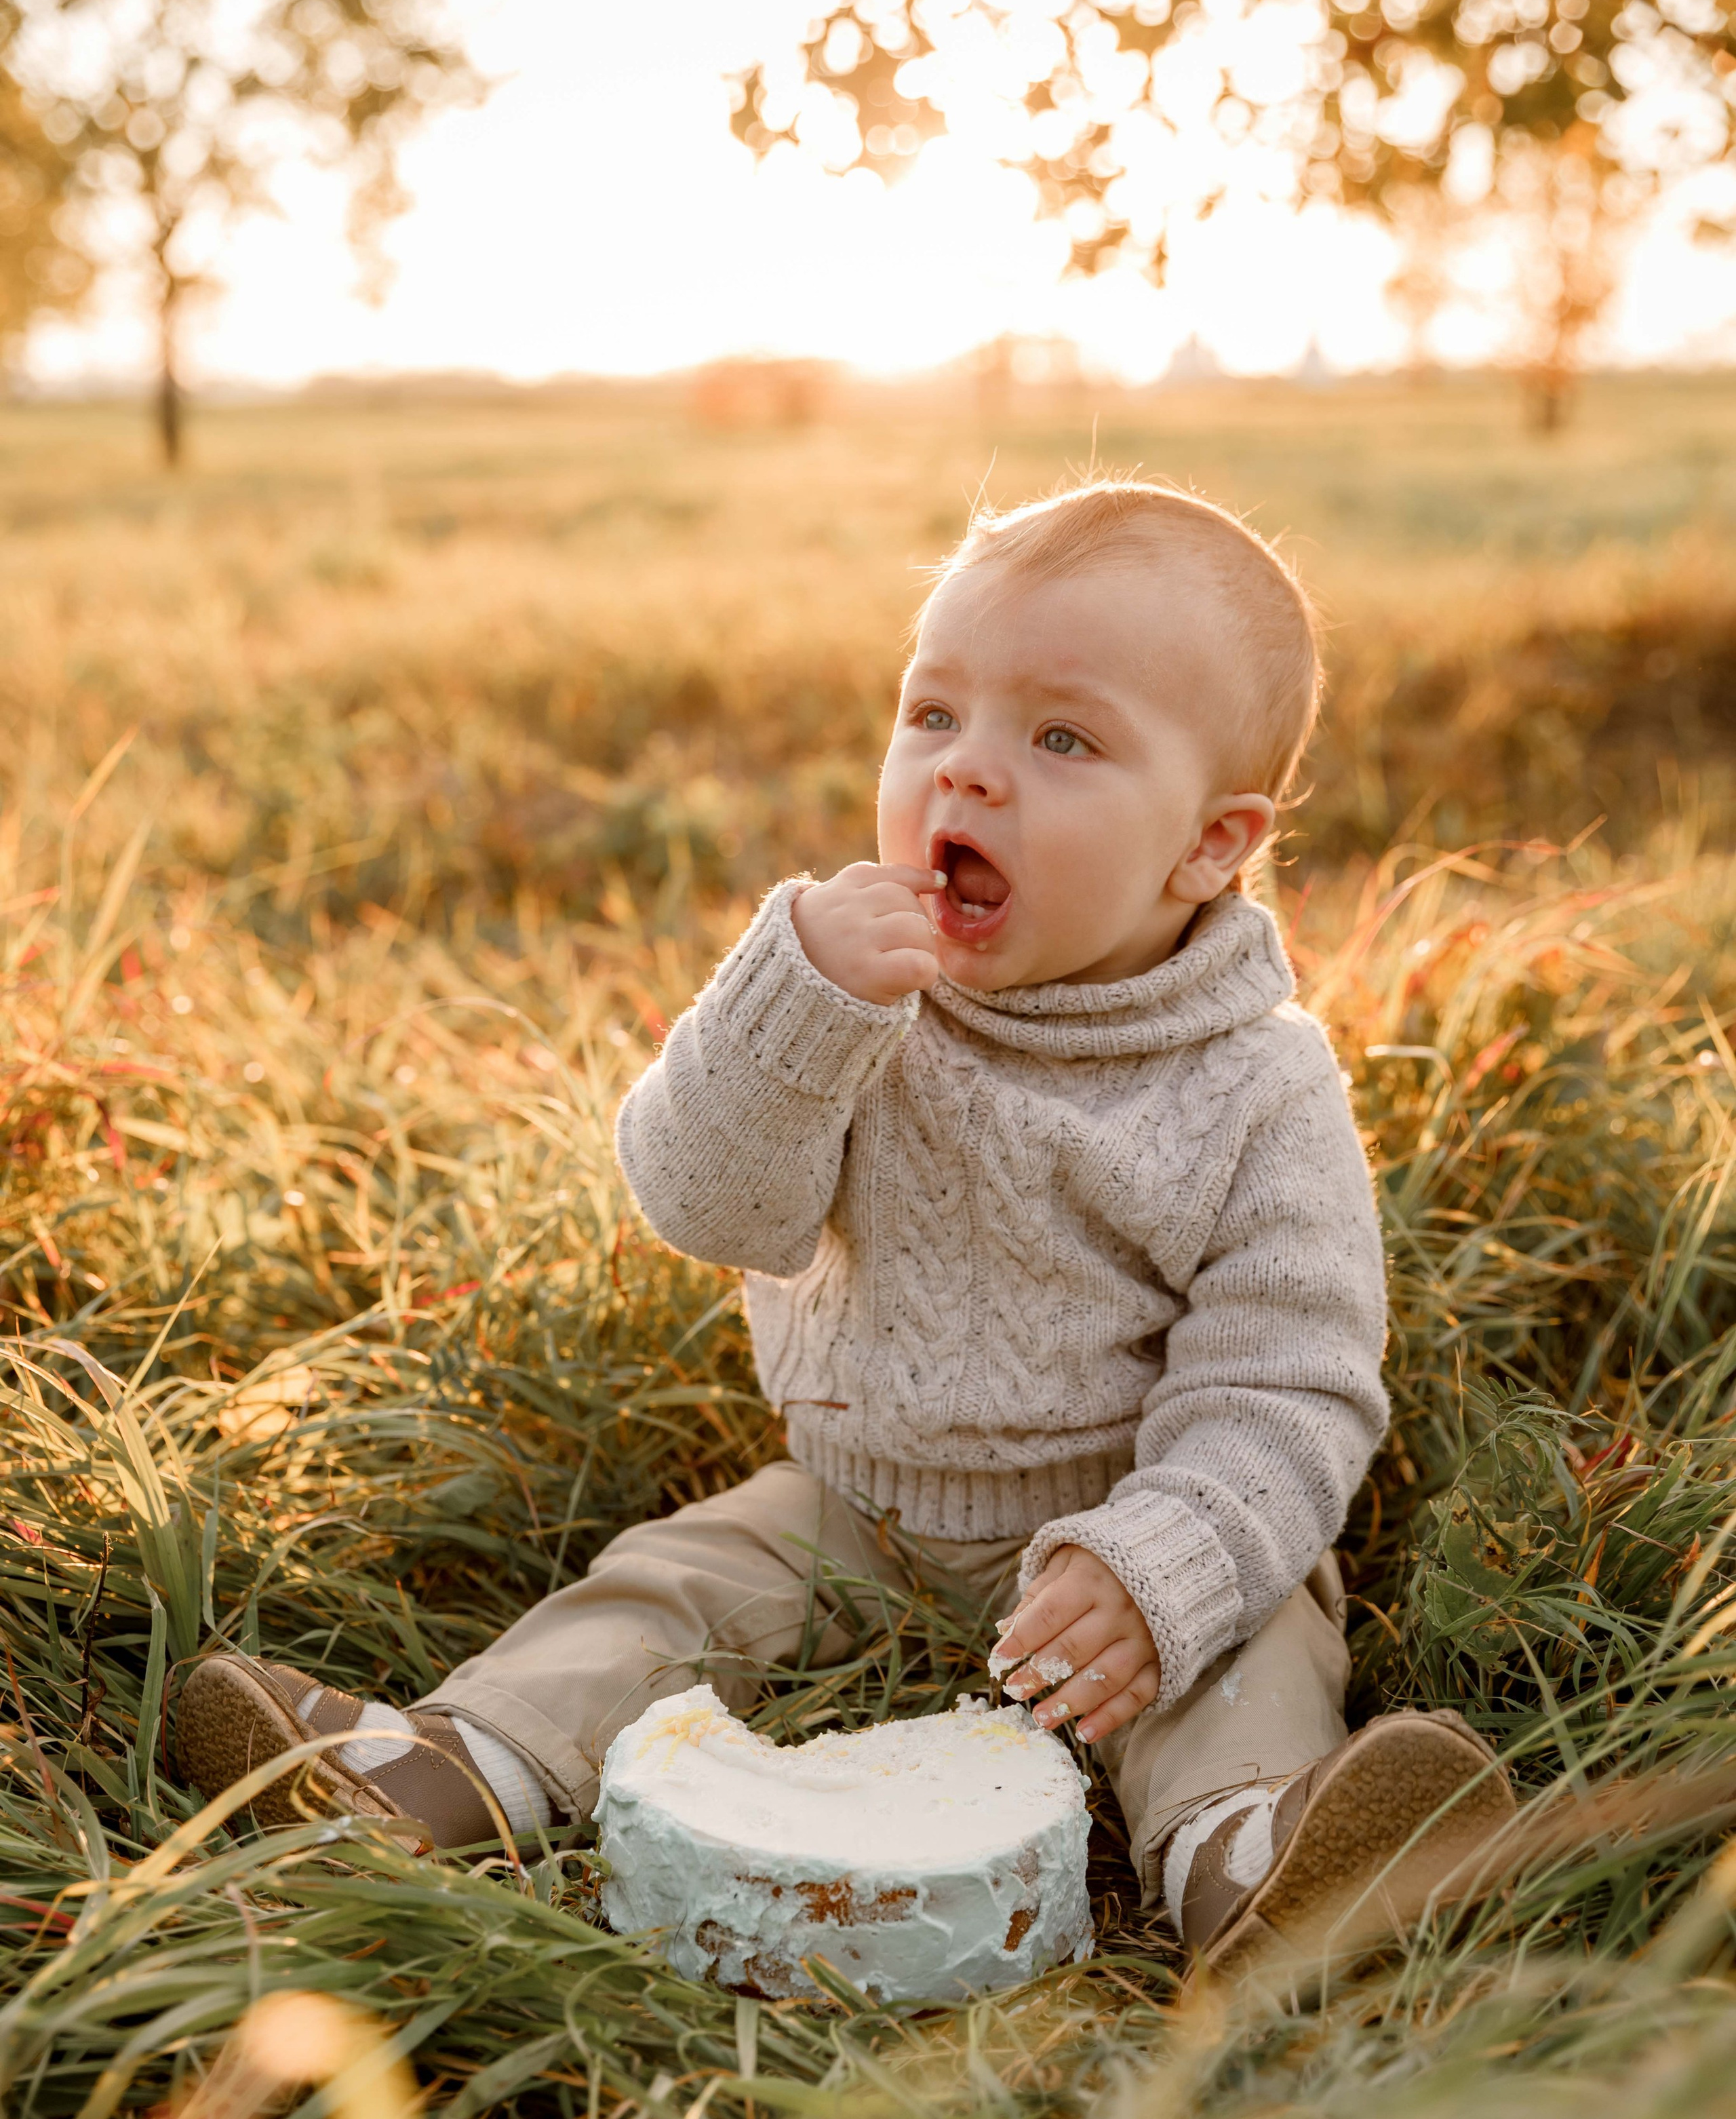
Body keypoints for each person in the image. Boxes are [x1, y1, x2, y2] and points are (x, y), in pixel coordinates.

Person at [178, 478, 1513, 1968]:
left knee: (1244, 1653)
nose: (967, 777)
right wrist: (788, 1007)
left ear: (1208, 845)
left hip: (1125, 1526)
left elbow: (1288, 1382)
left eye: (1059, 739)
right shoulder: (852, 1002)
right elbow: (707, 1206)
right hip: (851, 1509)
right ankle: (445, 1766)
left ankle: (1254, 1857)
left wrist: (1164, 1562)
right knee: (663, 1590)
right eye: (932, 715)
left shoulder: (1254, 1088)